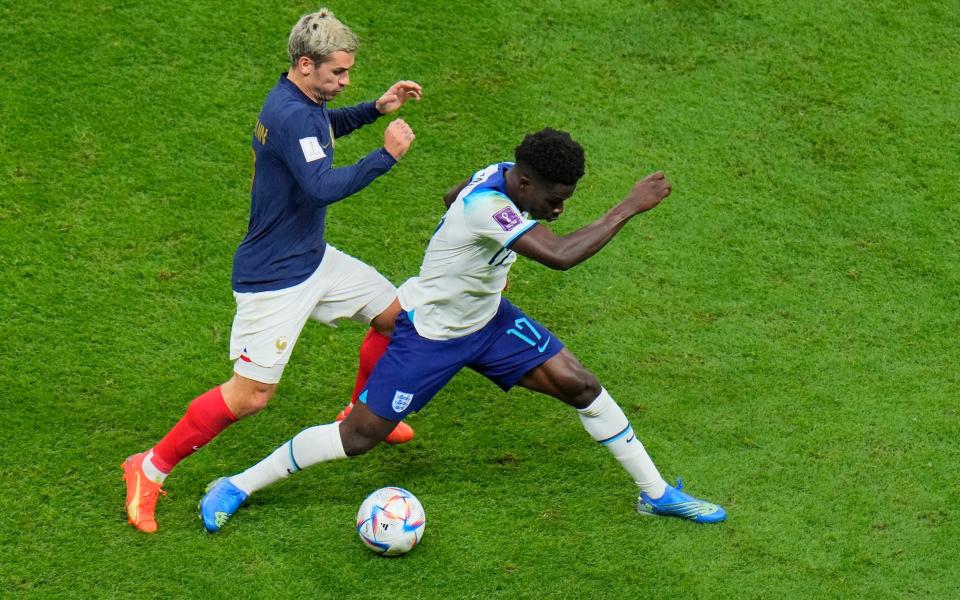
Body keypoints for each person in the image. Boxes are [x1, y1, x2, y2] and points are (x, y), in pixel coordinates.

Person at [199, 128, 727, 532]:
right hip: (429, 334)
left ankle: (654, 493)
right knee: (359, 437)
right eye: (552, 199)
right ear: (522, 183)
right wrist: (628, 206)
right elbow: (561, 255)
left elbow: (450, 195)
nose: (559, 209)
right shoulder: (489, 207)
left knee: (580, 384)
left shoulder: (501, 174)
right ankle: (237, 485)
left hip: (489, 322)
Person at [121, 8, 422, 534]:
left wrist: (375, 108)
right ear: (306, 65)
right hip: (275, 278)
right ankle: (148, 468)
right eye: (338, 74)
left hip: (313, 258)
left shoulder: (300, 102)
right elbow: (322, 186)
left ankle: (359, 411)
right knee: (249, 396)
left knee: (397, 320)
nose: (346, 80)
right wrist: (386, 156)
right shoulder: (289, 115)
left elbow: (324, 126)